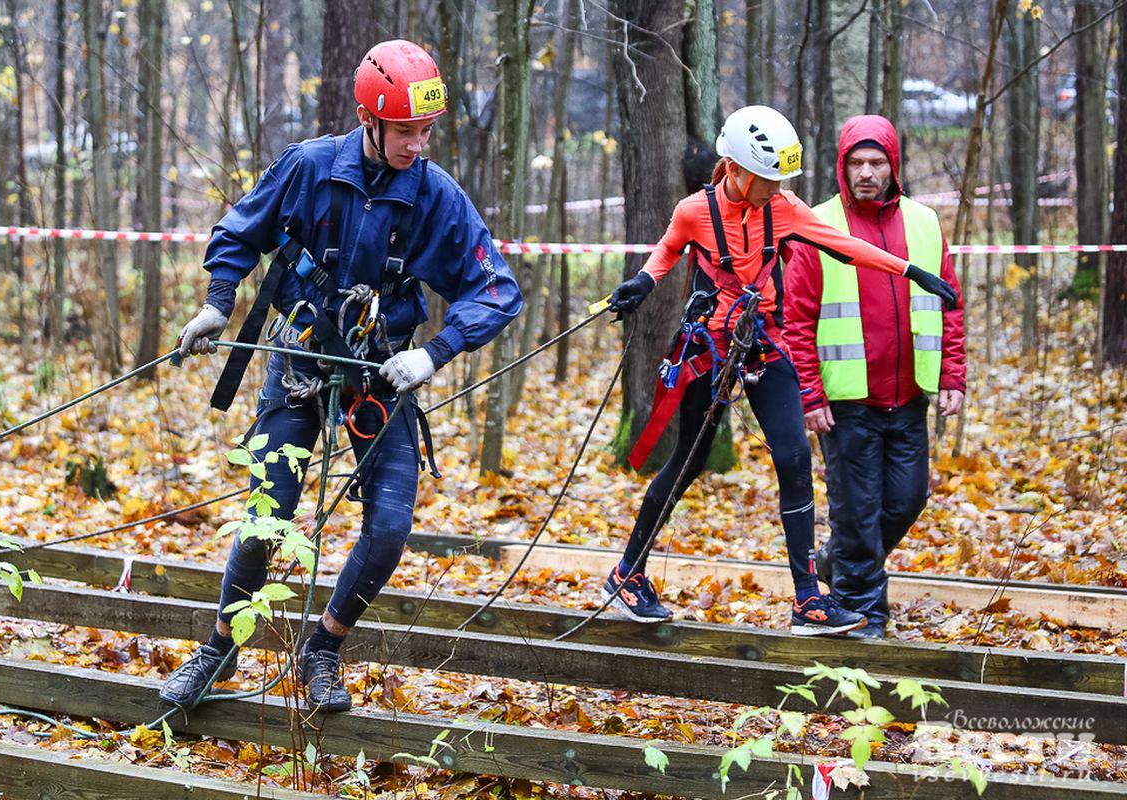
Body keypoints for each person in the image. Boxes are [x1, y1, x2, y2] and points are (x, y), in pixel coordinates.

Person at [161, 40, 522, 711]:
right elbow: (240, 231)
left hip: (381, 377)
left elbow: (498, 289)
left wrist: (433, 352)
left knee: (389, 526)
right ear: (369, 121)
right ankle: (219, 649)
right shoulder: (309, 168)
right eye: (406, 131)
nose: (419, 145)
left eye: (427, 131)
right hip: (300, 361)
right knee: (267, 516)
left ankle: (322, 648)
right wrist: (217, 303)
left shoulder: (438, 198)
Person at [604, 105, 957, 636]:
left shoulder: (786, 208)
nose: (775, 188)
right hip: (709, 346)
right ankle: (627, 574)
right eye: (767, 179)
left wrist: (911, 272)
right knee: (688, 460)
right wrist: (643, 285)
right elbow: (665, 254)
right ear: (737, 170)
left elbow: (848, 247)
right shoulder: (693, 211)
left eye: (779, 180)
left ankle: (808, 600)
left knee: (793, 457)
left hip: (763, 346)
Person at [784, 115, 965, 638]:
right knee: (858, 510)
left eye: (876, 162)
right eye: (856, 163)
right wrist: (810, 394)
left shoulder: (925, 223)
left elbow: (948, 304)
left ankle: (835, 562)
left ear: (893, 165)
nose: (866, 172)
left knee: (908, 499)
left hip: (909, 396)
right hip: (846, 401)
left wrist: (952, 376)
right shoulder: (817, 224)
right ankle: (865, 618)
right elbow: (796, 317)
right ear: (843, 166)